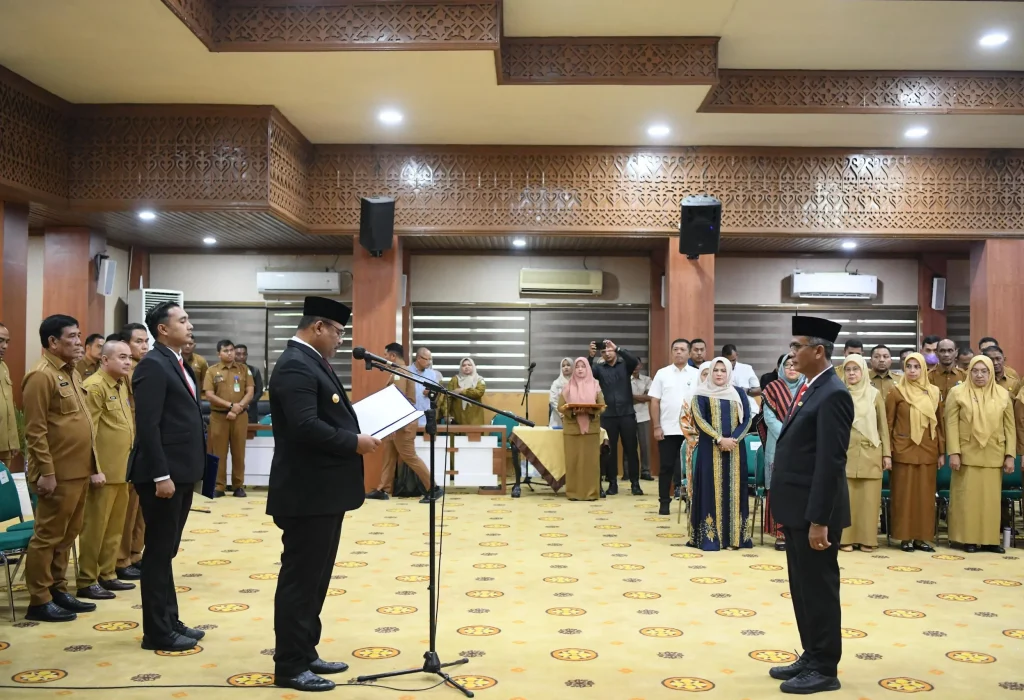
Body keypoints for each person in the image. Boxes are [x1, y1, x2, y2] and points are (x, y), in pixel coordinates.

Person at [267, 297, 381, 692]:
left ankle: (305, 650)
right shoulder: (296, 364)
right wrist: (353, 442)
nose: (339, 339)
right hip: (306, 493)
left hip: (322, 493)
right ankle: (290, 665)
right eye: (337, 331)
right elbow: (303, 426)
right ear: (318, 327)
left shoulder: (311, 361)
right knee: (300, 579)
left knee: (316, 579)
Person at [768, 316, 853, 695]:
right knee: (802, 587)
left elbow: (830, 462)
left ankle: (825, 666)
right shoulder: (811, 387)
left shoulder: (833, 393)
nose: (792, 353)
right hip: (799, 509)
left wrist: (820, 519)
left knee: (818, 588)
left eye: (797, 346)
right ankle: (811, 653)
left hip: (816, 513)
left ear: (818, 351)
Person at [129, 302, 207, 651]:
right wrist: (161, 474)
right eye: (183, 320)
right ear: (163, 329)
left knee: (167, 551)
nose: (190, 326)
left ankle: (169, 619)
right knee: (159, 552)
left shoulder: (177, 361)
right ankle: (156, 631)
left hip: (181, 471)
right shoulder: (153, 365)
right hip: (163, 476)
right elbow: (148, 425)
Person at [22, 315, 101, 622]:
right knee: (47, 535)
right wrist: (47, 472)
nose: (79, 341)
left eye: (79, 335)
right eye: (72, 336)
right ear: (53, 342)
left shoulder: (71, 373)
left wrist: (93, 465)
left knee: (68, 534)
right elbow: (36, 430)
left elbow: (82, 424)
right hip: (57, 473)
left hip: (78, 470)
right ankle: (39, 599)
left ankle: (58, 588)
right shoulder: (41, 376)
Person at [76, 340, 136, 600]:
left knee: (115, 527)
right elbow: (88, 433)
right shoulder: (95, 387)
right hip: (103, 473)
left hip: (122, 470)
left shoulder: (121, 385)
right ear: (104, 360)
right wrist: (93, 469)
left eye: (129, 358)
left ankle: (108, 573)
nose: (128, 362)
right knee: (95, 528)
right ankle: (87, 579)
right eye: (122, 357)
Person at [946, 354, 1015, 554]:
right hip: (967, 454)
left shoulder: (1002, 394)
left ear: (991, 372)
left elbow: (1010, 427)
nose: (979, 375)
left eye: (984, 371)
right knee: (967, 500)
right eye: (975, 371)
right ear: (969, 372)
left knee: (990, 501)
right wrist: (954, 452)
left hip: (994, 453)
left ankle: (990, 541)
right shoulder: (958, 393)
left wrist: (1010, 455)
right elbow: (950, 424)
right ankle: (968, 539)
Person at [687, 357, 753, 551]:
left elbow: (747, 419)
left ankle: (734, 539)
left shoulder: (739, 393)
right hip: (710, 449)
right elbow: (699, 420)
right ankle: (710, 539)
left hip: (735, 449)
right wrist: (719, 439)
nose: (719, 374)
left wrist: (733, 439)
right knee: (710, 490)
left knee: (734, 491)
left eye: (723, 371)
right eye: (716, 370)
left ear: (729, 373)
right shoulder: (700, 394)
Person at [366, 343, 440, 503]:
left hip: (402, 424)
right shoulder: (400, 371)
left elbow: (399, 400)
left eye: (386, 355)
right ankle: (382, 489)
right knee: (389, 456)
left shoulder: (400, 372)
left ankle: (433, 488)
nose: (384, 358)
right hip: (398, 423)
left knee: (410, 457)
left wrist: (394, 424)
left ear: (392, 356)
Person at [886, 352, 943, 553]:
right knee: (904, 496)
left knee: (925, 497)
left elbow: (940, 424)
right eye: (908, 366)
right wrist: (887, 452)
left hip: (928, 448)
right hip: (903, 449)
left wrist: (942, 452)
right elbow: (888, 424)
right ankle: (905, 538)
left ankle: (922, 538)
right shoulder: (897, 392)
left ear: (923, 369)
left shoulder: (934, 392)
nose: (912, 370)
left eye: (916, 367)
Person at [839, 354, 890, 553]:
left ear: (863, 371)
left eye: (856, 369)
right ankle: (845, 539)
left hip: (871, 451)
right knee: (847, 499)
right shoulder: (839, 393)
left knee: (869, 500)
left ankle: (868, 539)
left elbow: (882, 426)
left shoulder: (874, 394)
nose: (851, 374)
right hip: (846, 452)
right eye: (848, 370)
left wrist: (887, 455)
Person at [649, 339, 701, 515]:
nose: (679, 352)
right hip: (668, 428)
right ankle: (664, 502)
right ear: (671, 352)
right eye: (676, 349)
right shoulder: (662, 374)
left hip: (691, 430)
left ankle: (690, 501)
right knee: (666, 467)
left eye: (682, 349)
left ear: (689, 353)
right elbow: (654, 401)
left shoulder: (697, 374)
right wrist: (656, 426)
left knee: (691, 468)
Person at [760, 355, 806, 551]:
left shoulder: (808, 388)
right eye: (788, 365)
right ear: (781, 368)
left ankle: (799, 532)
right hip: (778, 445)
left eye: (796, 365)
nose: (792, 368)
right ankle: (780, 535)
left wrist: (798, 435)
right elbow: (769, 419)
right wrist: (789, 435)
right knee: (778, 488)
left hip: (803, 446)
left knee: (799, 489)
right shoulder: (772, 388)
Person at [116, 322, 149, 581]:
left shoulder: (145, 369)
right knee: (125, 511)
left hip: (143, 446)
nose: (144, 346)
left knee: (140, 508)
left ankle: (135, 553)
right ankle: (121, 558)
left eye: (145, 341)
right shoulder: (123, 374)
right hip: (126, 449)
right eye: (138, 341)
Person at [588, 339, 642, 495]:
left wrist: (618, 348)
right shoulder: (599, 368)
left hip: (627, 414)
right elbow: (587, 373)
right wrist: (590, 356)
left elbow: (634, 360)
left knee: (631, 450)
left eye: (609, 350)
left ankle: (635, 484)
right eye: (603, 351)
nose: (606, 353)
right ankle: (612, 484)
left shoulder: (624, 366)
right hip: (608, 415)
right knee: (609, 451)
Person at [204, 339, 255, 498]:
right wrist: (230, 406)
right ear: (219, 353)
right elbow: (209, 395)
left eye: (232, 350)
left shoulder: (244, 369)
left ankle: (238, 485)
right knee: (219, 452)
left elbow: (250, 391)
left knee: (239, 452)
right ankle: (219, 486)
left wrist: (238, 407)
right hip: (219, 417)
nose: (230, 353)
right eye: (226, 350)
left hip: (240, 416)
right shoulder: (211, 371)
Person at [557, 358, 606, 501]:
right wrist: (572, 411)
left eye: (583, 366)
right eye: (577, 367)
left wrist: (591, 411)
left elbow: (602, 406)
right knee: (573, 462)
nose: (579, 369)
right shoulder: (568, 386)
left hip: (591, 429)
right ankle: (573, 493)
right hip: (572, 430)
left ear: (588, 369)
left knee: (591, 463)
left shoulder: (595, 385)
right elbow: (560, 406)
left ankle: (591, 493)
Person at [0, 323, 20, 472]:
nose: (5, 346)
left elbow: (8, 407)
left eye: (7, 342)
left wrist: (13, 441)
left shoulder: (4, 367)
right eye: (0, 340)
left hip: (4, 445)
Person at [630, 361, 654, 481]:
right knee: (629, 445)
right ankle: (628, 472)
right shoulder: (624, 379)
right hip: (628, 415)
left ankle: (646, 471)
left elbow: (650, 397)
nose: (635, 366)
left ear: (640, 366)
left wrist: (631, 396)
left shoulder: (647, 379)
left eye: (637, 364)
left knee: (645, 445)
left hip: (644, 416)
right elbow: (624, 397)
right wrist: (642, 397)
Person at [722, 343, 761, 415]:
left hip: (750, 411)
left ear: (737, 355)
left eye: (733, 360)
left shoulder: (747, 368)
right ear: (723, 357)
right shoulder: (718, 371)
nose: (731, 363)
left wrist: (747, 391)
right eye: (728, 361)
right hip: (727, 411)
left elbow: (758, 390)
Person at [447, 357, 486, 425]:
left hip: (474, 418)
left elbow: (479, 392)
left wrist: (462, 390)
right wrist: (446, 415)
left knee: (474, 434)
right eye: (464, 365)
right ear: (460, 368)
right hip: (457, 418)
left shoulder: (479, 380)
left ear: (473, 366)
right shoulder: (454, 380)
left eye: (469, 365)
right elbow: (447, 398)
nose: (466, 367)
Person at [234, 344, 264, 425]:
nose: (242, 357)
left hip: (250, 409)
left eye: (244, 354)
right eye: (238, 354)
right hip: (232, 408)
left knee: (251, 435)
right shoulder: (229, 371)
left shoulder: (254, 370)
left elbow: (259, 392)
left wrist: (247, 403)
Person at [547, 358, 573, 428]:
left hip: (573, 417)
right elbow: (552, 400)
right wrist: (562, 414)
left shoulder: (576, 383)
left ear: (572, 367)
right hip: (558, 417)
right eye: (563, 366)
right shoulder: (556, 383)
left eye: (568, 365)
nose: (566, 367)